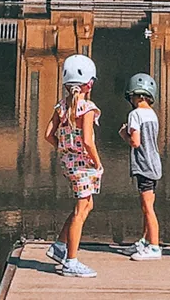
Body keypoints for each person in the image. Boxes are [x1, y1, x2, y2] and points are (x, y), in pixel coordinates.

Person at [44, 54, 103, 279]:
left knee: (87, 206)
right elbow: (88, 140)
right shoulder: (86, 108)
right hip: (84, 165)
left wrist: (64, 147)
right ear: (89, 84)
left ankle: (59, 246)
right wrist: (97, 162)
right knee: (81, 211)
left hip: (69, 164)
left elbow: (48, 135)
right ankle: (71, 261)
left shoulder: (62, 106)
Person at [118, 72, 162, 261]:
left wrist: (123, 134)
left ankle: (154, 247)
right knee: (148, 206)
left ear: (137, 96)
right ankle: (145, 240)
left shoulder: (135, 114)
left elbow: (135, 142)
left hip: (143, 165)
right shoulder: (152, 114)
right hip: (155, 164)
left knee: (147, 208)